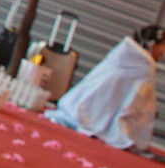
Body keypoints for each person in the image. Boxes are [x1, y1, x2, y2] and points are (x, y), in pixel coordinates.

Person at [47, 25, 165, 153]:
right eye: (163, 45)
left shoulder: (122, 54)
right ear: (153, 44)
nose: (163, 51)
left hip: (82, 105)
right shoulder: (144, 66)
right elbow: (136, 101)